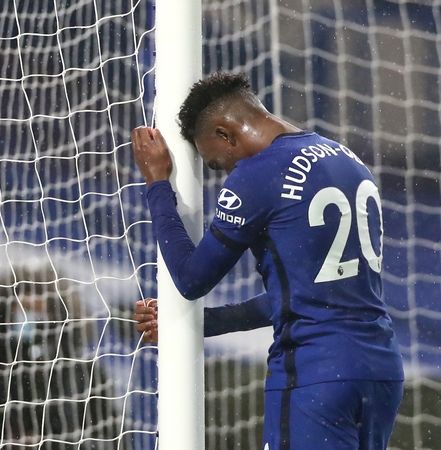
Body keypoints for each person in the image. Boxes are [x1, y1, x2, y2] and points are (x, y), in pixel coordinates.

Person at [131, 72, 404, 450]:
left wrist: (157, 184)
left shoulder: (258, 173)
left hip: (315, 374)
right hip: (380, 372)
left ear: (225, 134)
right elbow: (308, 294)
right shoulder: (346, 158)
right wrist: (200, 324)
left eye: (217, 164)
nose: (226, 172)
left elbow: (191, 278)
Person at [0, 264, 121, 449]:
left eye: (38, 311)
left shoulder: (87, 378)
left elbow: (112, 441)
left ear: (59, 317)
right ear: (3, 311)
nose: (29, 320)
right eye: (23, 309)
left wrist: (51, 444)